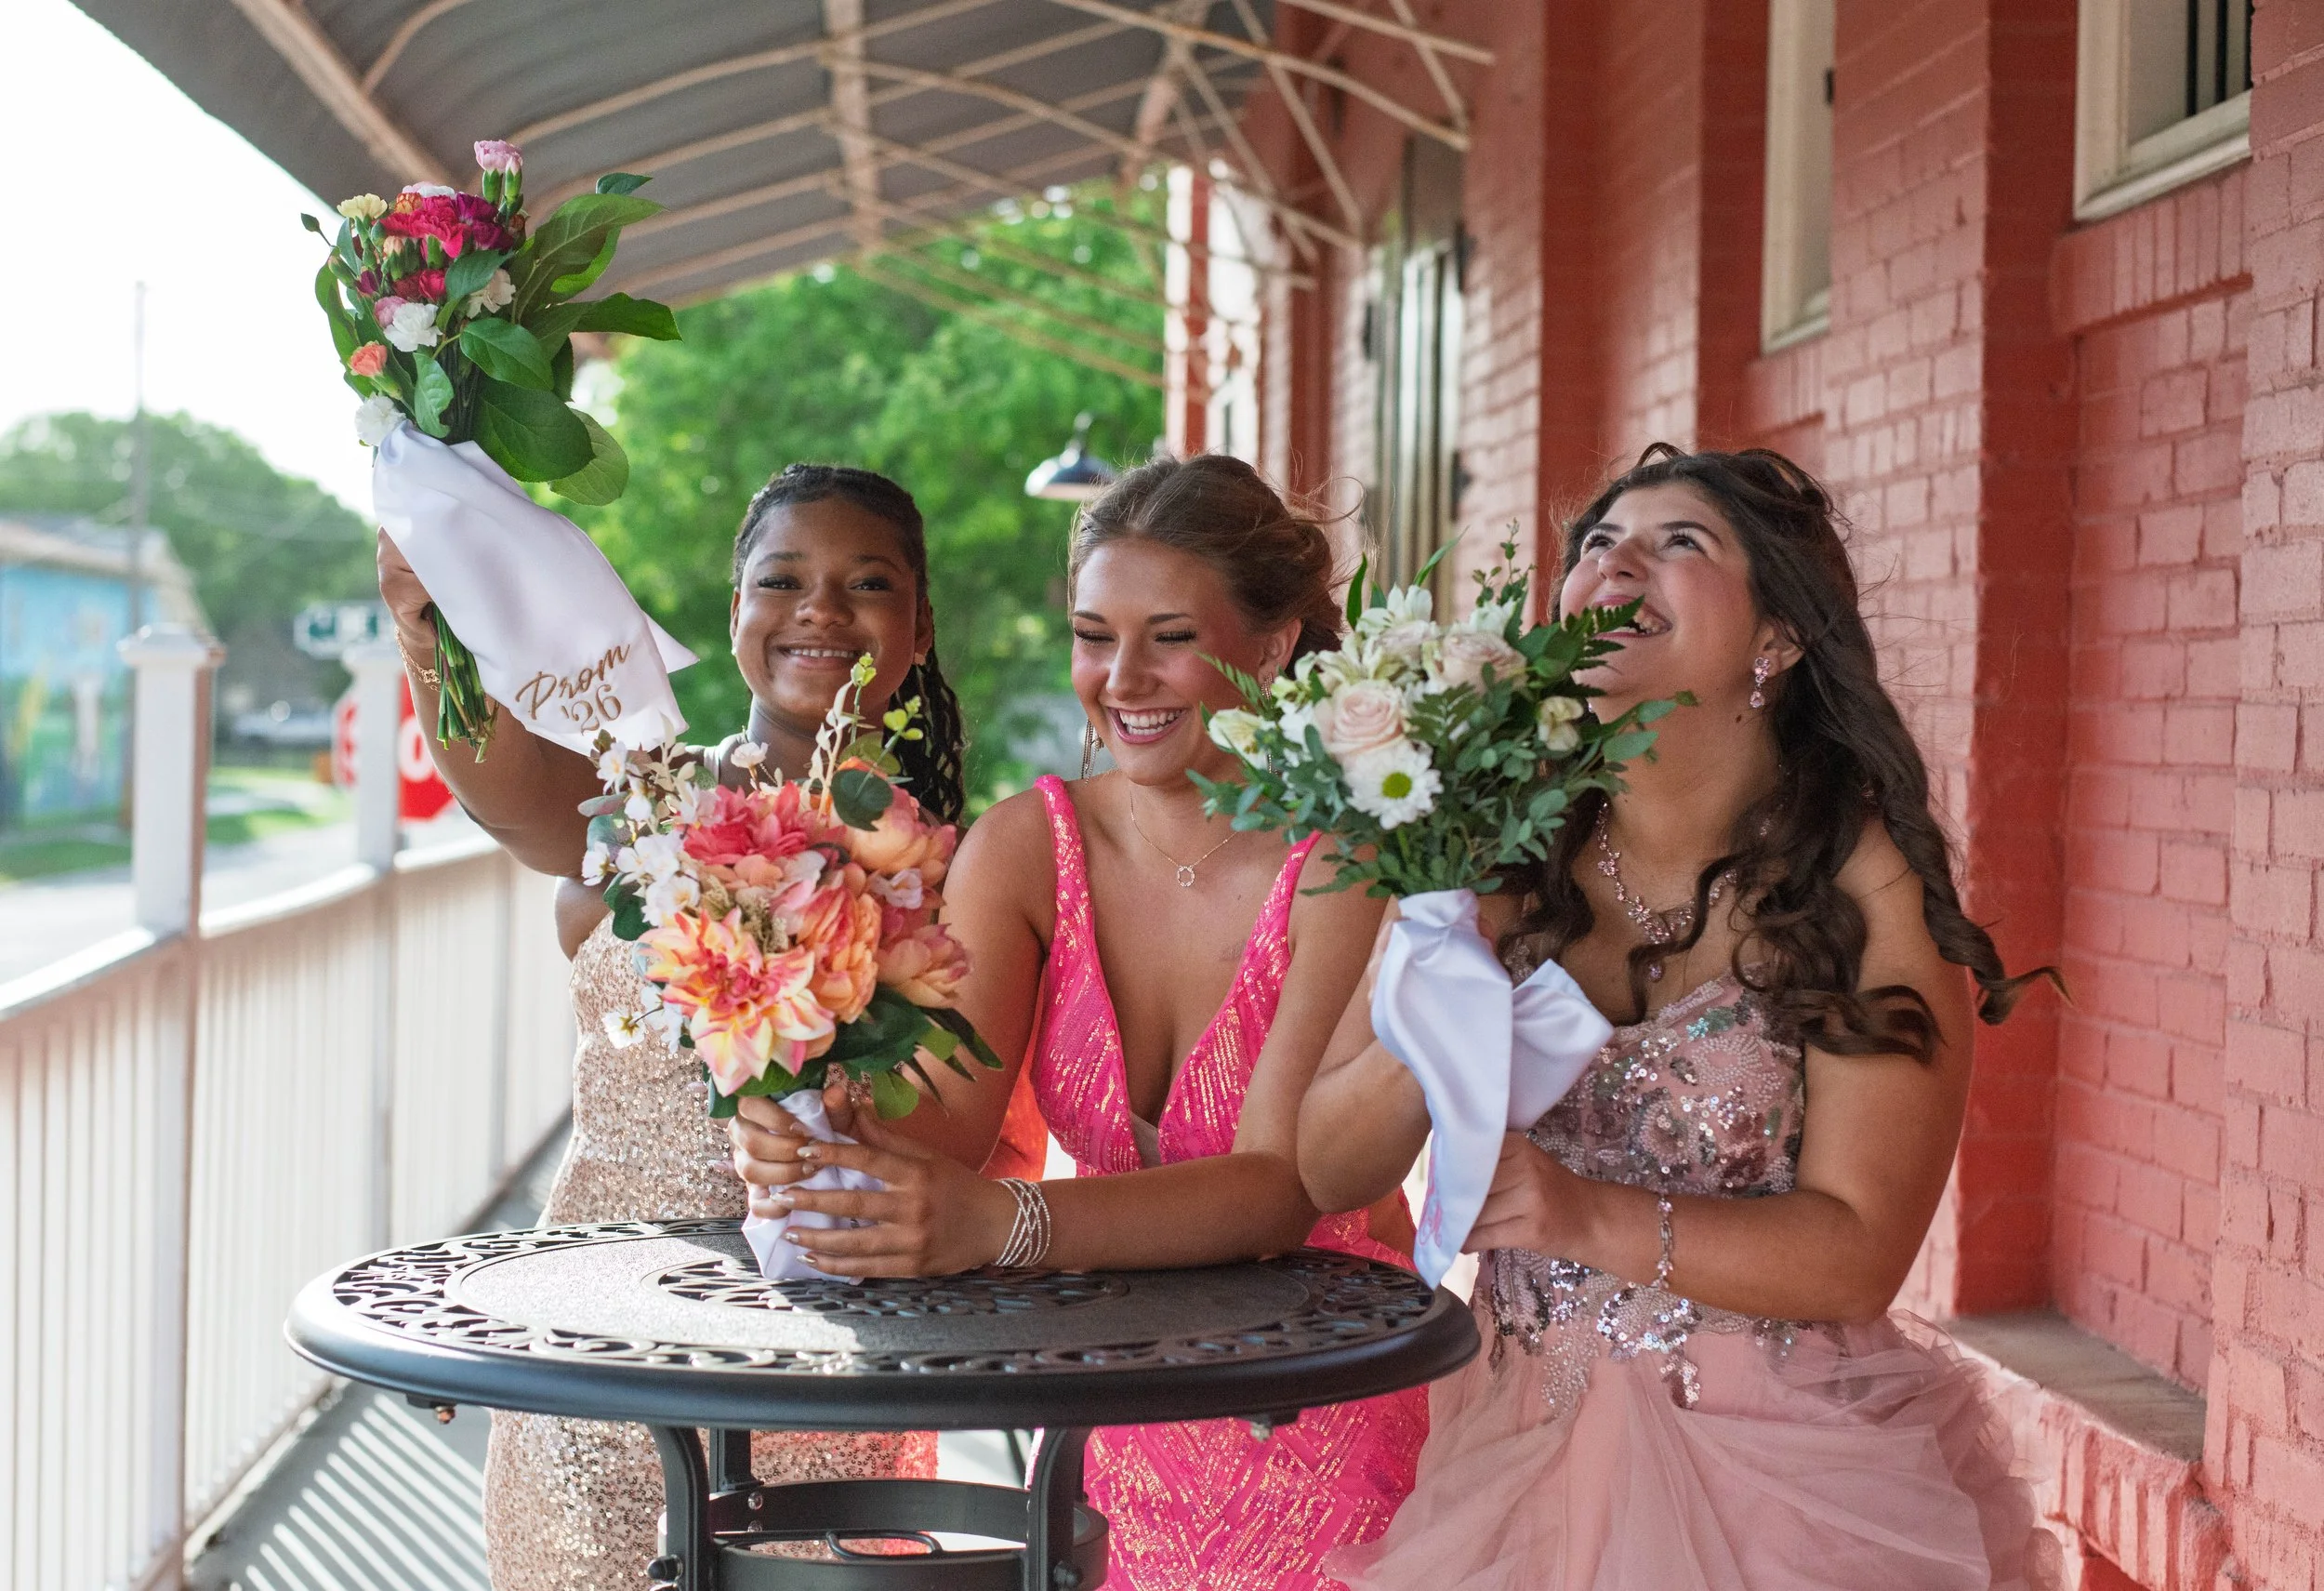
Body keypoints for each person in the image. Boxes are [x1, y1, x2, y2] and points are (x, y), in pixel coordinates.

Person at [1299, 445, 2059, 1591]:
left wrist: (1582, 1213)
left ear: (1778, 639)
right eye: (1598, 543)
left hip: (1782, 1483)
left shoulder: (1859, 886)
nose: (1617, 564)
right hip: (1510, 1461)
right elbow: (1324, 1158)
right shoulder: (1491, 856)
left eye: (1678, 543)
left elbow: (1860, 1250)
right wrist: (1439, 980)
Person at [727, 454, 1426, 1591]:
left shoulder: (1349, 854)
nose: (1123, 676)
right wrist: (815, 1125)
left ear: (1276, 642)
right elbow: (943, 1133)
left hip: (1320, 1405)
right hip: (1100, 1428)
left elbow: (1275, 1185)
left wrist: (999, 1225)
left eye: (1171, 637)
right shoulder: (1023, 847)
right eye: (1095, 634)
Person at [378, 463, 1018, 1590]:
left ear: (917, 628)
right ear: (735, 617)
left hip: (828, 1383)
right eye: (782, 579)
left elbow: (955, 1137)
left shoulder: (966, 871)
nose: (821, 608)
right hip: (593, 1373)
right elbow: (514, 798)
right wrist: (434, 640)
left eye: (865, 583)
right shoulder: (648, 804)